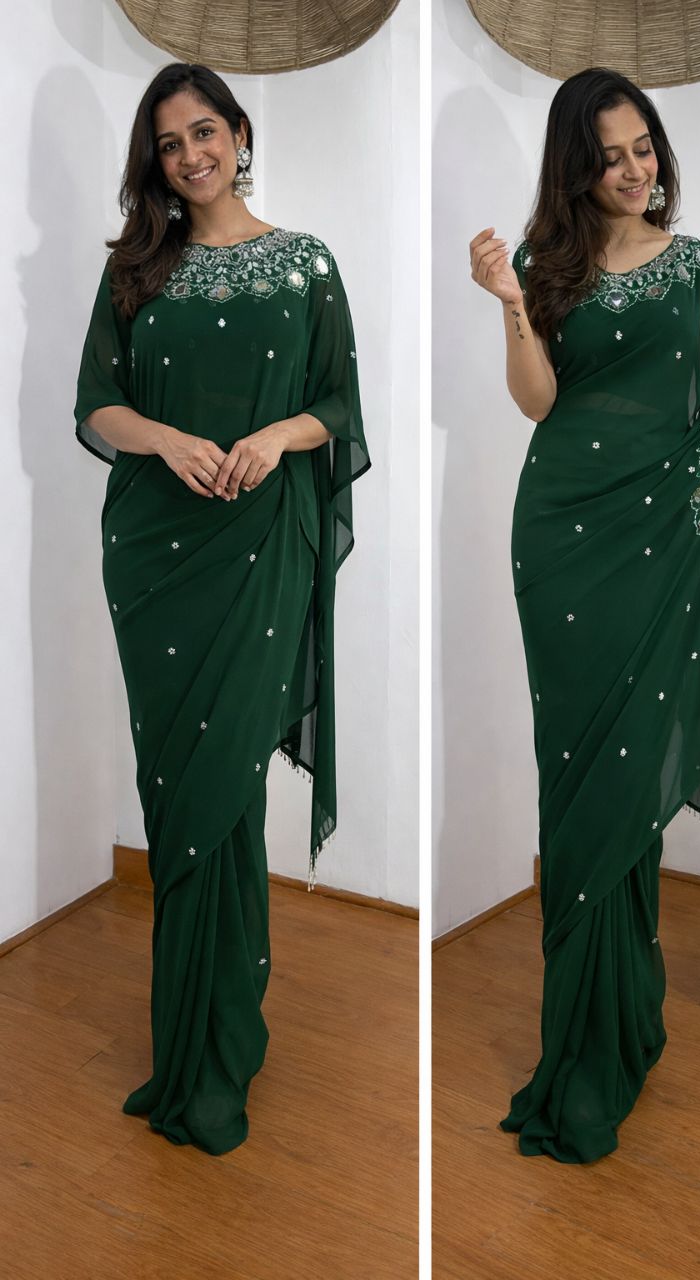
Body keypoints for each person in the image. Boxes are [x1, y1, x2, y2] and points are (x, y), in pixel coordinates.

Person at [469, 66, 700, 1164]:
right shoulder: (547, 266)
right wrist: (506, 303)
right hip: (563, 538)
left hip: (660, 540)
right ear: (575, 166)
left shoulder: (695, 266)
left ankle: (620, 1031)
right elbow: (536, 400)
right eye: (612, 155)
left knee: (629, 777)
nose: (635, 170)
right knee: (578, 778)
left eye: (645, 149)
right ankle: (585, 1040)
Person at [74, 62, 370, 1155]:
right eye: (168, 142)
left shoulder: (307, 265)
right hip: (156, 559)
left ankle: (217, 1049)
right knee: (181, 797)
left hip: (260, 549)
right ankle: (188, 1048)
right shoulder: (136, 270)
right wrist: (173, 439)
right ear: (153, 163)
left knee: (226, 787)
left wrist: (270, 437)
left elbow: (339, 399)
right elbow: (95, 404)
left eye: (206, 131)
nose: (191, 154)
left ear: (241, 134)